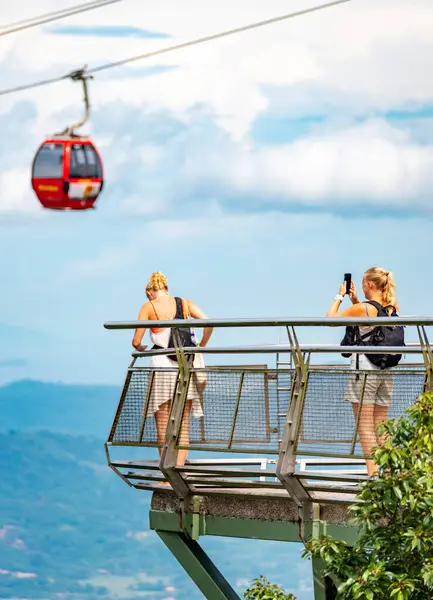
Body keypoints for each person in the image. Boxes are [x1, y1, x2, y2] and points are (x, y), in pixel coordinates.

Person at [132, 271, 213, 468]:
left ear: (150, 292)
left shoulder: (148, 307)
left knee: (163, 424)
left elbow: (136, 340)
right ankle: (179, 469)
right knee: (183, 423)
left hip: (161, 366)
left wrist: (139, 347)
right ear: (166, 289)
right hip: (184, 367)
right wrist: (201, 343)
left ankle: (167, 473)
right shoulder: (184, 303)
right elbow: (209, 322)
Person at [325, 267, 399, 476]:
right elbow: (370, 325)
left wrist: (340, 295)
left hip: (364, 369)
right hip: (386, 370)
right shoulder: (390, 307)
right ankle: (392, 474)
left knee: (364, 425)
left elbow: (329, 320)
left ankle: (373, 476)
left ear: (369, 284)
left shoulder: (365, 308)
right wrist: (355, 302)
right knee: (381, 425)